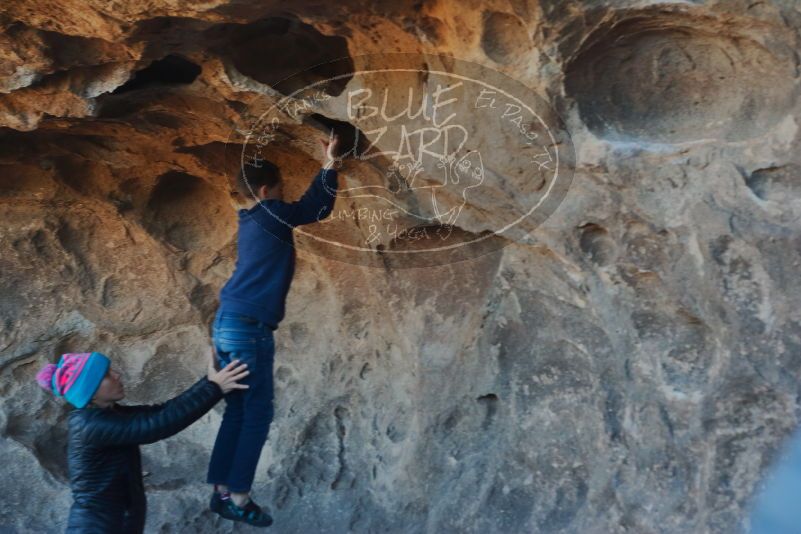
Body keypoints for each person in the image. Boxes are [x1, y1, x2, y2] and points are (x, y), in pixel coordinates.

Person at [206, 131, 341, 526]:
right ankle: (240, 497)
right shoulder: (272, 213)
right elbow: (316, 207)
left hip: (227, 323)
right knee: (257, 414)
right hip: (247, 329)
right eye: (281, 189)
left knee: (236, 411)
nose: (285, 195)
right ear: (267, 190)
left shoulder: (250, 218)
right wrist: (331, 162)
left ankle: (220, 489)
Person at [35, 350, 250, 533]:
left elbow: (160, 411)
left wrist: (210, 382)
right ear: (90, 391)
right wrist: (214, 388)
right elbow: (157, 425)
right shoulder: (89, 425)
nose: (117, 375)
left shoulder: (106, 415)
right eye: (106, 375)